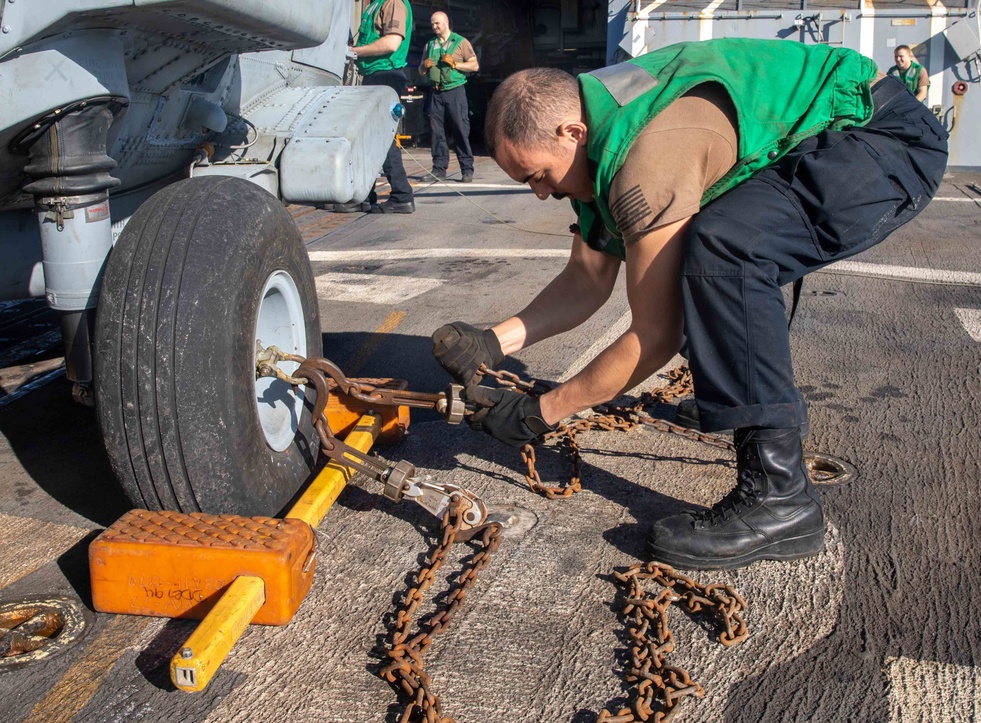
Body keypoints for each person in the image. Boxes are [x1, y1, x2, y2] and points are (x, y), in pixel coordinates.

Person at [431, 39, 948, 570]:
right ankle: (741, 386)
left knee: (729, 248)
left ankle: (781, 498)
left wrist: (541, 412)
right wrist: (494, 341)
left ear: (571, 133)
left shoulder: (646, 155)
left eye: (538, 175)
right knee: (716, 245)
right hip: (819, 139)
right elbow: (586, 279)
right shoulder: (599, 135)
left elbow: (656, 335)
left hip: (879, 138)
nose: (540, 192)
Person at [349, 0, 416, 214]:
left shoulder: (392, 2)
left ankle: (402, 195)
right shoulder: (375, 4)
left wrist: (353, 52)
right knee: (368, 139)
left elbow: (392, 43)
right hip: (374, 74)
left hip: (386, 74)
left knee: (382, 139)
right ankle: (365, 197)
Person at [417, 12, 479, 183]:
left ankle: (467, 169)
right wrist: (424, 66)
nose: (434, 26)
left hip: (455, 92)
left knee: (460, 129)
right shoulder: (430, 45)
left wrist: (455, 64)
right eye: (432, 24)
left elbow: (474, 65)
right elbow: (420, 68)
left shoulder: (460, 42)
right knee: (437, 132)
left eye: (437, 23)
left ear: (446, 22)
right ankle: (438, 170)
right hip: (436, 93)